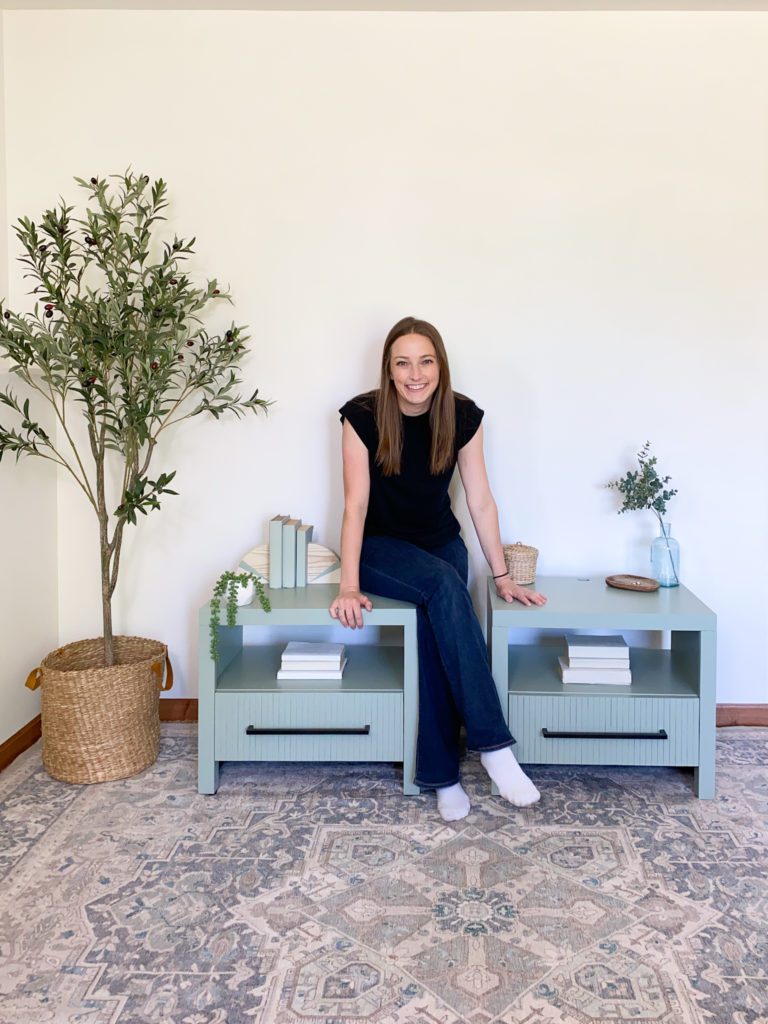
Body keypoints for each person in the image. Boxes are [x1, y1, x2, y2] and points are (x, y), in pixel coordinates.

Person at [329, 316, 546, 822]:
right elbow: (355, 506)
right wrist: (348, 583)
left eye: (425, 361)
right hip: (381, 548)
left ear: (440, 366)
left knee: (436, 615)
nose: (415, 374)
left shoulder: (462, 415)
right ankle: (493, 748)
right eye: (402, 363)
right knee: (446, 587)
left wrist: (501, 575)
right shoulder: (360, 417)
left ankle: (443, 777)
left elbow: (481, 501)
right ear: (388, 368)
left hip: (439, 545)